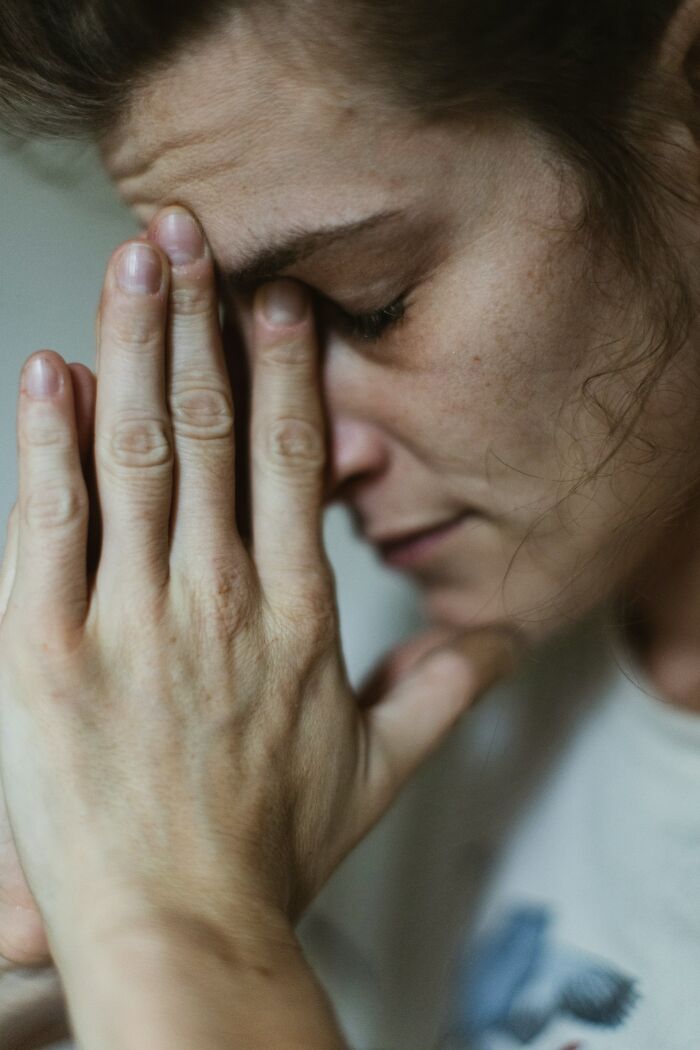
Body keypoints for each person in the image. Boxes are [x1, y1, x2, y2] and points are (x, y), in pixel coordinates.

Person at [0, 1, 699, 1047]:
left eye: (369, 304)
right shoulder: (376, 678)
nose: (308, 454)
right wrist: (90, 894)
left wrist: (184, 934)